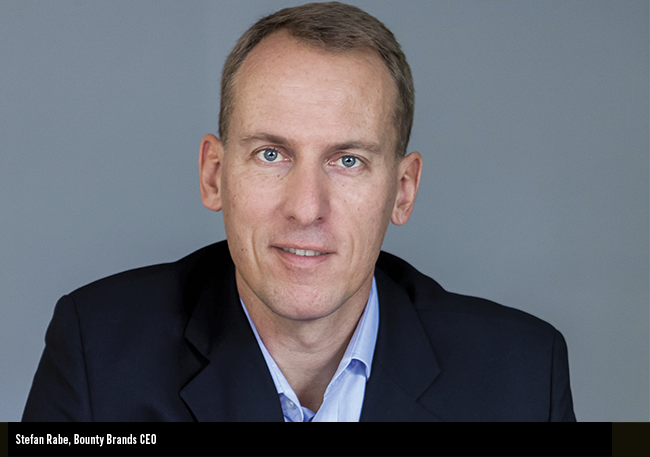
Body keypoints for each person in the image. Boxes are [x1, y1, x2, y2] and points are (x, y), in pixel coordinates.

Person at [23, 2, 575, 422]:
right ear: (214, 174)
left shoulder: (522, 376)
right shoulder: (98, 353)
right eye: (271, 154)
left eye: (348, 160)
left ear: (402, 191)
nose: (306, 208)